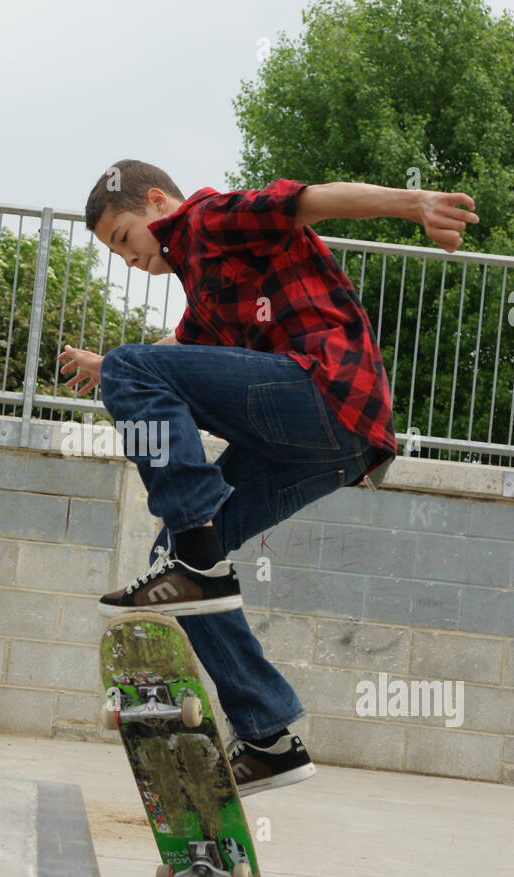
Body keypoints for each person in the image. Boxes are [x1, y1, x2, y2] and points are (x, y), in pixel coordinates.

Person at [58, 160, 478, 795]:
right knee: (173, 559)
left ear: (154, 203)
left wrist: (412, 202)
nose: (129, 260)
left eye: (124, 240)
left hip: (325, 392)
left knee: (137, 392)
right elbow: (178, 357)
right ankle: (268, 737)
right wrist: (108, 362)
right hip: (333, 448)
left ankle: (200, 556)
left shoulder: (206, 219)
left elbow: (310, 200)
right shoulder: (203, 290)